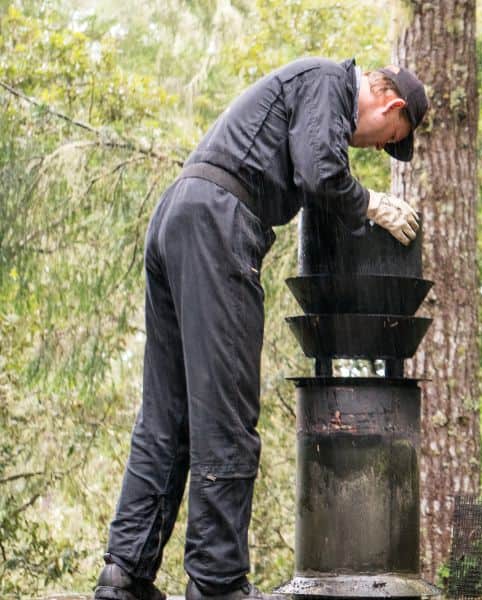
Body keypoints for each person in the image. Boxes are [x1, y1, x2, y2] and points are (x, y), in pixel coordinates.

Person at [93, 57, 429, 600]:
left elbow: (311, 169)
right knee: (226, 415)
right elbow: (322, 173)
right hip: (218, 223)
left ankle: (124, 574)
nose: (371, 148)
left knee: (168, 413)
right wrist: (371, 205)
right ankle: (219, 583)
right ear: (391, 105)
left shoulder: (310, 96)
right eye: (384, 139)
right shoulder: (329, 82)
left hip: (180, 215)